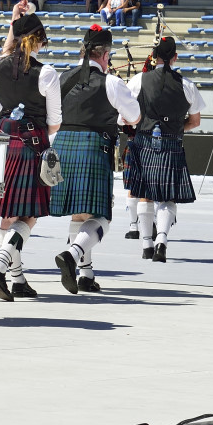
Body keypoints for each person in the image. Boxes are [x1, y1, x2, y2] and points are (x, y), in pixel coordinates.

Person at [0, 12, 62, 301]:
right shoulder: (46, 72)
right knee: (29, 214)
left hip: (3, 138)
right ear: (37, 40)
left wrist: (14, 22)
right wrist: (43, 140)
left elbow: (5, 53)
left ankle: (17, 277)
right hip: (31, 141)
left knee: (7, 212)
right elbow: (55, 121)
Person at [49, 25, 142, 294]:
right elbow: (134, 117)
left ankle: (86, 275)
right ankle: (73, 253)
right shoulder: (111, 82)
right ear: (105, 55)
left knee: (80, 213)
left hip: (63, 148)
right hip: (93, 148)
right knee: (101, 217)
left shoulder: (61, 78)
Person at [123, 37, 204, 263]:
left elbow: (126, 115)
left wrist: (140, 124)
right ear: (175, 57)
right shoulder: (187, 85)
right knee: (167, 197)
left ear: (154, 57)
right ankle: (161, 241)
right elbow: (195, 121)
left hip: (143, 141)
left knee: (145, 195)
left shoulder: (139, 80)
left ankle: (147, 244)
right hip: (172, 142)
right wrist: (177, 129)